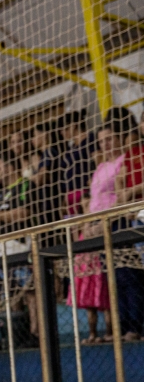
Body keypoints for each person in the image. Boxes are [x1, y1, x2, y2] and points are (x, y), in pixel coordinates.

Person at [70, 126, 119, 344]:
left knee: (104, 284)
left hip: (109, 225)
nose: (104, 145)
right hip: (90, 230)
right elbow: (90, 203)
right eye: (101, 141)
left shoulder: (120, 163)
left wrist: (100, 223)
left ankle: (111, 330)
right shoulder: (99, 169)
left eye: (109, 139)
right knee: (87, 282)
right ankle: (92, 333)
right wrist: (87, 225)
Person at [108, 108, 144, 340]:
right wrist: (125, 198)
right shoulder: (132, 154)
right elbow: (120, 179)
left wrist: (132, 192)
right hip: (137, 214)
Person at [60, 110, 95, 217]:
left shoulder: (90, 139)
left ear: (73, 125)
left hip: (84, 193)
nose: (62, 132)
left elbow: (98, 160)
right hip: (70, 195)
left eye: (65, 129)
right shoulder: (70, 148)